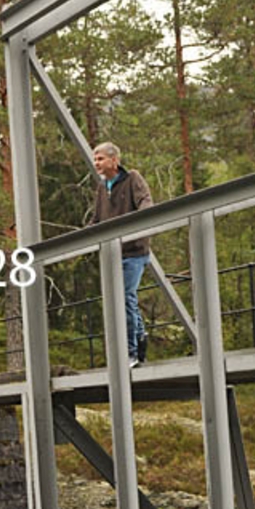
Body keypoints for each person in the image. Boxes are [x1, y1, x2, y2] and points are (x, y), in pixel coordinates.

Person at [91, 142, 152, 369]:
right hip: (112, 254)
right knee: (125, 299)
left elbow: (146, 202)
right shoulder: (102, 186)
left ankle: (131, 353)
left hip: (134, 251)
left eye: (100, 159)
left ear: (114, 160)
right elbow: (97, 219)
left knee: (125, 298)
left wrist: (138, 225)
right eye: (95, 159)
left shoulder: (132, 178)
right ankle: (140, 337)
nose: (96, 163)